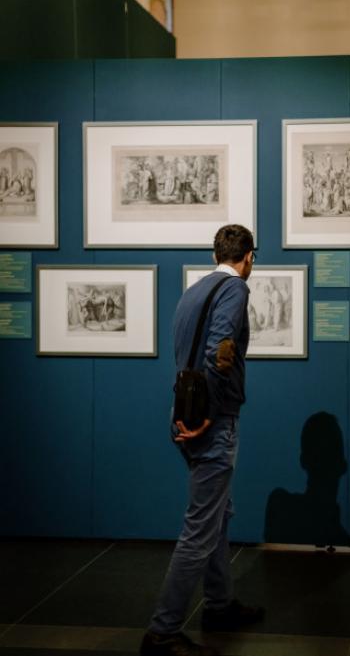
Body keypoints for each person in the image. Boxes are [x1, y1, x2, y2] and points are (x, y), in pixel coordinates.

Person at [139, 224, 264, 656]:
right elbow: (220, 350)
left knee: (217, 515)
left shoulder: (194, 292)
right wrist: (210, 413)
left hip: (182, 414)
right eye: (252, 259)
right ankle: (163, 630)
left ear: (216, 255)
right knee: (199, 527)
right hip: (210, 420)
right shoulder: (235, 291)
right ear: (248, 257)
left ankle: (219, 603)